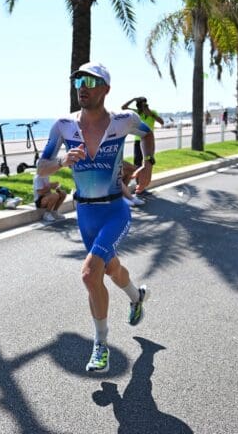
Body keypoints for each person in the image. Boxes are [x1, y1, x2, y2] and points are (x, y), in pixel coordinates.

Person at [38, 62, 155, 373]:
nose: (83, 87)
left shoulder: (123, 121)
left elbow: (147, 134)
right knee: (109, 268)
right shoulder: (63, 126)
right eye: (78, 80)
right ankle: (136, 296)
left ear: (106, 89)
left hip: (115, 210)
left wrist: (148, 165)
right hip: (85, 213)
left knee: (90, 274)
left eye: (91, 80)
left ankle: (100, 345)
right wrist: (62, 161)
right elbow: (41, 167)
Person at [122, 96, 163, 197]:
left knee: (148, 164)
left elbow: (161, 122)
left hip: (148, 141)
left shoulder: (152, 112)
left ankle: (142, 188)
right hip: (137, 142)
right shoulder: (136, 113)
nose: (141, 106)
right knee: (137, 165)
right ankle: (137, 187)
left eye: (143, 103)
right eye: (139, 104)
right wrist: (133, 99)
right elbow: (123, 108)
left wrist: (151, 114)